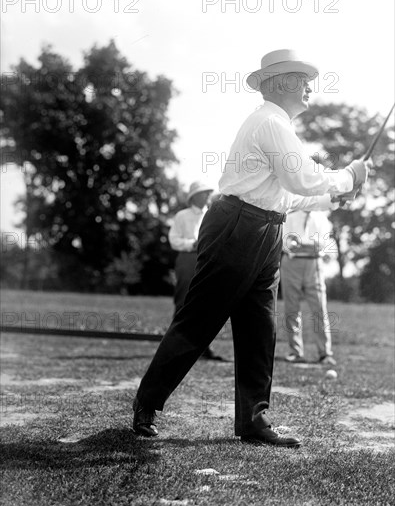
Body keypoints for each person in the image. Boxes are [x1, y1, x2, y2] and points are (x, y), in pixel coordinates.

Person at [132, 49, 370, 448]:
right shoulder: (270, 123)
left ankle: (253, 420)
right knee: (200, 320)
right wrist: (348, 177)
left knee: (260, 329)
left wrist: (335, 197)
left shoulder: (278, 126)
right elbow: (302, 180)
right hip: (237, 227)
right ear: (279, 85)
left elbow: (288, 198)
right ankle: (147, 402)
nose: (310, 85)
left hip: (264, 229)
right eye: (301, 78)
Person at [169, 181, 225, 361]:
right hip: (187, 259)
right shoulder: (182, 215)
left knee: (206, 303)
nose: (207, 196)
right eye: (203, 193)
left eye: (208, 192)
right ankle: (174, 346)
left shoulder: (212, 214)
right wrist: (190, 244)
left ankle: (203, 348)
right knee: (183, 301)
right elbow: (174, 240)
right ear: (194, 196)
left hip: (207, 259)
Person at [281, 210, 336, 365]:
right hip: (292, 263)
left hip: (314, 264)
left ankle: (325, 353)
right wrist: (301, 246)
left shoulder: (322, 217)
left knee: (319, 308)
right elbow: (285, 242)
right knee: (292, 309)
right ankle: (295, 352)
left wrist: (317, 248)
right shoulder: (290, 216)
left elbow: (325, 243)